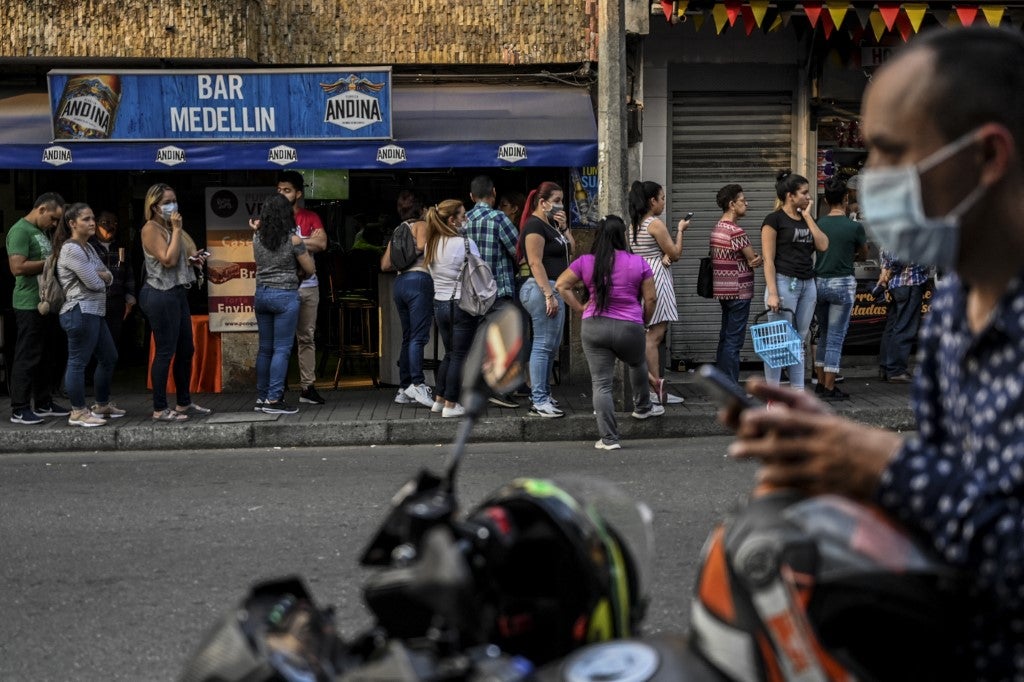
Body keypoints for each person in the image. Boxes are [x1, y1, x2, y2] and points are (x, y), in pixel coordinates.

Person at [728, 26, 1024, 678]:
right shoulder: (952, 306)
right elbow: (959, 497)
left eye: (891, 154)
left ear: (988, 156)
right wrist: (829, 456)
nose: (870, 181)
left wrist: (883, 465)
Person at [555, 215, 661, 450]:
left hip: (594, 326)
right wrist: (643, 321)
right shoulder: (638, 262)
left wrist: (581, 308)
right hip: (629, 326)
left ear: (598, 235)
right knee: (637, 363)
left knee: (601, 384)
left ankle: (609, 439)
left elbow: (561, 285)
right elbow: (651, 298)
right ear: (621, 235)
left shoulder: (585, 261)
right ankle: (643, 408)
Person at [139, 182, 211, 422]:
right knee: (165, 351)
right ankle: (160, 408)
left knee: (186, 349)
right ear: (155, 206)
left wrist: (192, 260)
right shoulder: (151, 229)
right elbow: (167, 260)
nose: (173, 206)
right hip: (160, 293)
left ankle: (183, 402)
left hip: (178, 292)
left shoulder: (168, 228)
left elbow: (177, 258)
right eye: (167, 202)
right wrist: (178, 229)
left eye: (174, 200)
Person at [53, 203, 124, 427]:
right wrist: (100, 275)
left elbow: (110, 276)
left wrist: (102, 275)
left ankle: (101, 404)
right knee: (78, 362)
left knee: (109, 357)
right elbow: (95, 283)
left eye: (92, 218)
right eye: (86, 219)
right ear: (72, 223)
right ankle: (78, 411)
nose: (92, 222)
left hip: (94, 312)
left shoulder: (89, 248)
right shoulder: (71, 249)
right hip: (79, 311)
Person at [760, 170, 829, 390]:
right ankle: (773, 394)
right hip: (783, 283)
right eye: (804, 193)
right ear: (790, 195)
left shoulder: (807, 219)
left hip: (807, 284)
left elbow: (823, 245)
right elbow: (768, 260)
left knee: (799, 341)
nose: (809, 197)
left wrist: (808, 216)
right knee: (779, 343)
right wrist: (772, 292)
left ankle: (797, 394)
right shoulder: (774, 220)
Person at [6, 192, 70, 425]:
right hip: (28, 303)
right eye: (53, 218)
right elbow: (17, 267)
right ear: (41, 209)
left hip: (46, 303)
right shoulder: (20, 231)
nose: (54, 224)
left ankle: (43, 402)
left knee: (46, 355)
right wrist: (52, 261)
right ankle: (19, 408)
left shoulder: (40, 232)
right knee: (27, 355)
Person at [250, 194, 316, 415]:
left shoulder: (256, 237)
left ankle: (261, 397)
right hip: (285, 295)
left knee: (265, 349)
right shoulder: (294, 240)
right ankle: (274, 399)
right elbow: (309, 269)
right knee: (282, 349)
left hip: (262, 294)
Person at [626, 180, 690, 404]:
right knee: (654, 336)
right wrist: (680, 231)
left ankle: (650, 387)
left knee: (647, 334)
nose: (663, 202)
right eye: (662, 198)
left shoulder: (634, 224)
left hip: (640, 274)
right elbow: (675, 253)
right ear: (652, 200)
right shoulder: (655, 223)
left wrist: (663, 256)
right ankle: (656, 390)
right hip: (657, 278)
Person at [517, 181, 575, 418]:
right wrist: (548, 294)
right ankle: (538, 399)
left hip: (554, 287)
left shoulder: (551, 225)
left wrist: (564, 229)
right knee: (542, 345)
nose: (560, 205)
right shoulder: (534, 226)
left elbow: (571, 249)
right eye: (557, 200)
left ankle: (543, 394)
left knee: (550, 347)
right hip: (542, 288)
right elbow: (534, 262)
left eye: (562, 200)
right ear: (543, 202)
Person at [464, 175, 519, 409]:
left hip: (472, 292)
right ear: (493, 192)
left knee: (476, 341)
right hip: (498, 289)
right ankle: (496, 390)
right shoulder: (499, 218)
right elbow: (518, 251)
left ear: (471, 196)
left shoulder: (463, 219)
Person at [424, 199, 481, 418]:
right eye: (463, 215)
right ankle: (451, 403)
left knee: (450, 353)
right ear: (452, 220)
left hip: (440, 303)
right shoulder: (464, 244)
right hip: (461, 304)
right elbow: (478, 272)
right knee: (459, 356)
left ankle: (439, 398)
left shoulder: (431, 244)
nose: (466, 219)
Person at [812, 177, 867, 399]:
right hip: (842, 284)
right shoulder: (854, 227)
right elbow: (863, 254)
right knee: (835, 337)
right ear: (846, 198)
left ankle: (819, 381)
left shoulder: (817, 223)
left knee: (823, 334)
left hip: (818, 283)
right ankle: (829, 387)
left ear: (825, 199)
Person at [276, 171, 328, 406]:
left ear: (298, 193)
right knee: (281, 340)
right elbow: (272, 246)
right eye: (279, 190)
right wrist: (305, 242)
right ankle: (277, 388)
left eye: (286, 190)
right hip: (284, 286)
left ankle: (307, 388)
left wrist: (293, 241)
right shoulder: (273, 218)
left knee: (306, 338)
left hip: (308, 287)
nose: (282, 194)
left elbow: (322, 243)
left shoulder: (310, 216)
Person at [380, 190, 435, 408]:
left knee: (408, 336)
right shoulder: (421, 226)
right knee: (418, 338)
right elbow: (422, 247)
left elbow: (385, 264)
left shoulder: (397, 230)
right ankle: (418, 384)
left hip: (400, 283)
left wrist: (401, 261)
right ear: (421, 209)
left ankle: (403, 388)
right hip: (419, 281)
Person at [710, 184, 762, 386]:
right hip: (740, 291)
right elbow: (753, 260)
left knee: (725, 337)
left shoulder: (717, 229)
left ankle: (721, 380)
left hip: (723, 291)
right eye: (742, 200)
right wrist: (759, 258)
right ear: (732, 204)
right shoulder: (736, 232)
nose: (746, 203)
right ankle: (731, 385)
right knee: (734, 341)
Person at [876, 253, 928, 383]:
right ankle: (896, 370)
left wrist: (885, 272)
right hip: (910, 281)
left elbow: (885, 253)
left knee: (893, 325)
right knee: (905, 327)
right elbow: (901, 256)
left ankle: (885, 367)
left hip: (896, 284)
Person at [89, 210, 136, 354]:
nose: (111, 227)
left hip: (116, 302)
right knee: (92, 343)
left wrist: (130, 299)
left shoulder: (120, 247)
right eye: (106, 223)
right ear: (96, 225)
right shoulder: (88, 247)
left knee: (112, 344)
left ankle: (107, 375)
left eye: (115, 223)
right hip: (94, 302)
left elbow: (128, 274)